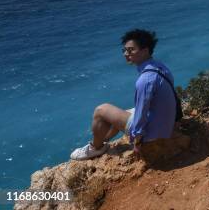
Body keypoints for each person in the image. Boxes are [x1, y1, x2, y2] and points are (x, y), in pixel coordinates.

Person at [70, 29, 177, 160]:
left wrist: (137, 142)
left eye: (131, 50)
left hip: (154, 132)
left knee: (101, 110)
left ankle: (95, 148)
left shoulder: (145, 80)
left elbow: (141, 113)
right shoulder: (159, 66)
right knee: (120, 113)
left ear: (145, 51)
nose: (126, 54)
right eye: (125, 50)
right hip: (166, 122)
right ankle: (103, 141)